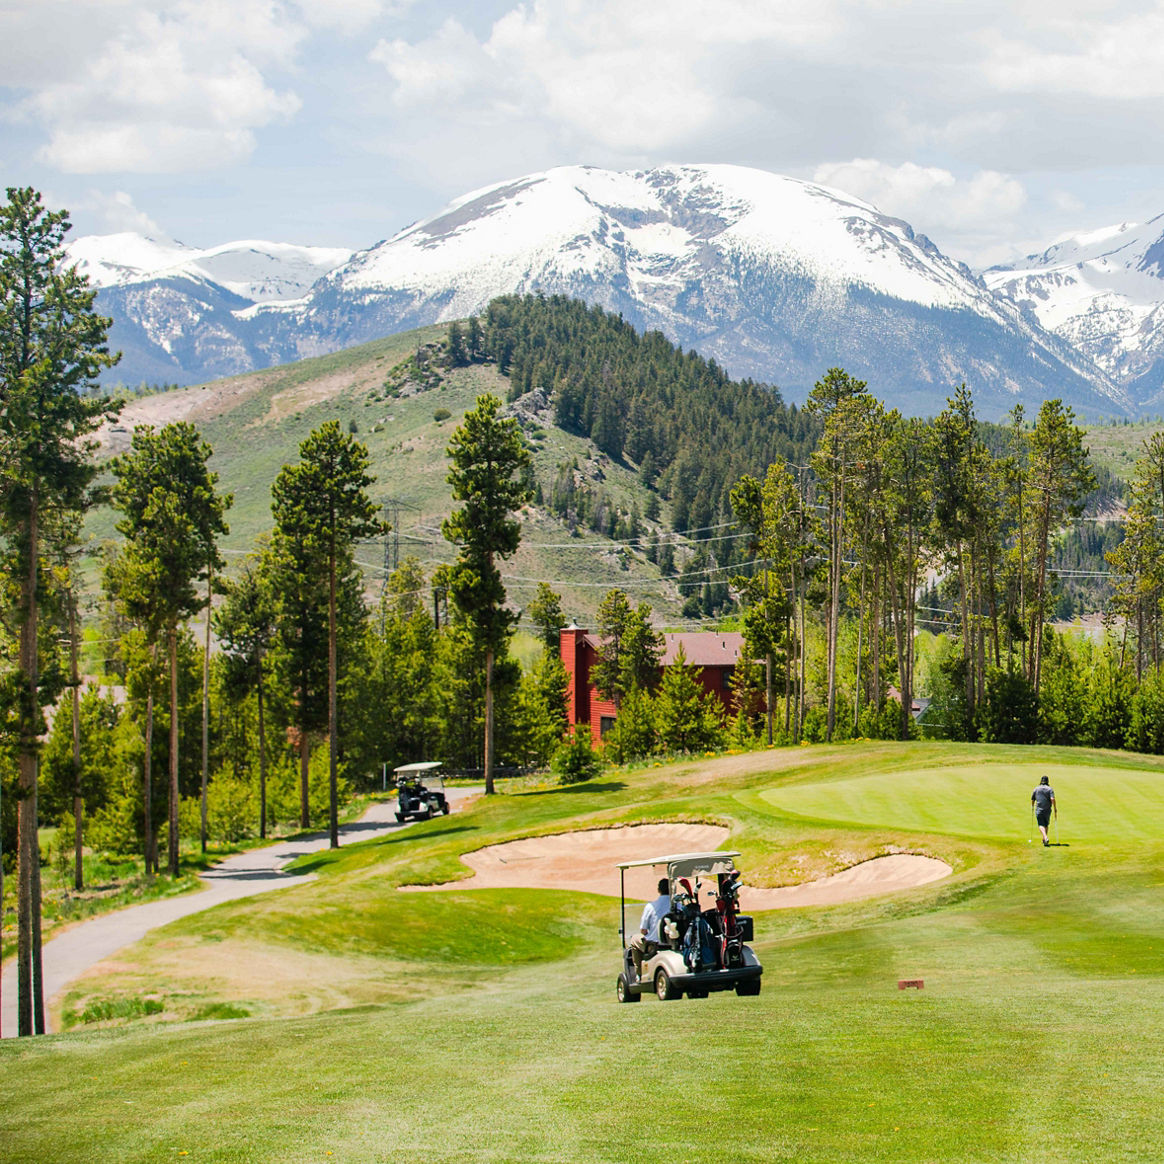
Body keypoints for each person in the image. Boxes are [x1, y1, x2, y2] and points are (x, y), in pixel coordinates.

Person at [630, 877, 672, 981]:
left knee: (634, 939)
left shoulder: (650, 906)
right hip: (673, 941)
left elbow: (643, 930)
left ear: (659, 890)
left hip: (654, 944)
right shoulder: (678, 905)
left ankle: (639, 974)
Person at [1031, 775, 1057, 846]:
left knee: (1040, 824)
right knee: (1046, 824)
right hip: (1047, 809)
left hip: (1039, 809)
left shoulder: (1036, 788)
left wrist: (1032, 806)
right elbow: (1052, 799)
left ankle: (1045, 837)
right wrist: (1055, 808)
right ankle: (1044, 839)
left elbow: (1033, 798)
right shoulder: (1050, 789)